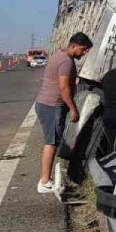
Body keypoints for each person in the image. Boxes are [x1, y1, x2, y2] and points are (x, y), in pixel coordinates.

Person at [34, 32, 93, 194]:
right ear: (73, 46)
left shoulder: (59, 56)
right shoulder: (66, 61)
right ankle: (44, 182)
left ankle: (45, 179)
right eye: (83, 49)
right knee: (51, 143)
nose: (84, 53)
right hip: (52, 105)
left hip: (47, 104)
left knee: (51, 141)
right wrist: (73, 109)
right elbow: (64, 88)